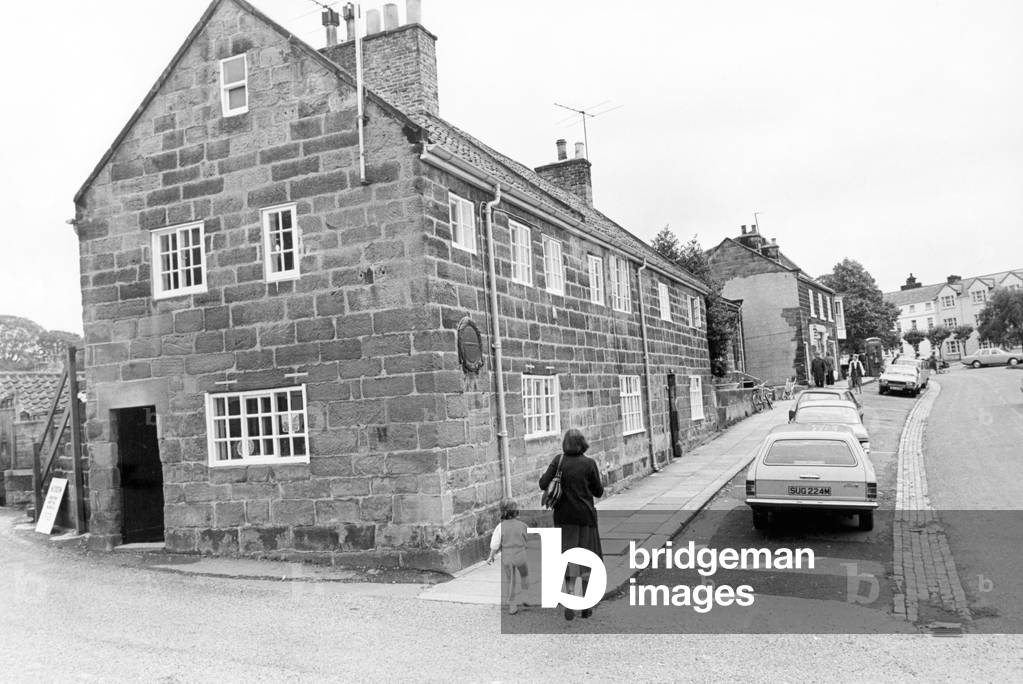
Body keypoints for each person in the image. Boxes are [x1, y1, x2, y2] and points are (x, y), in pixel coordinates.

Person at [538, 428, 604, 621]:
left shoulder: (559, 461)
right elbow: (598, 492)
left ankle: (568, 600)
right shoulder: (589, 464)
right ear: (583, 443)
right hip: (585, 519)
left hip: (563, 518)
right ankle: (585, 605)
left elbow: (543, 484)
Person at [487, 498, 530, 614]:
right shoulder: (522, 525)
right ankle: (525, 597)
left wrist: (491, 556)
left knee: (511, 580)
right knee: (524, 575)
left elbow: (495, 544)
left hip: (507, 557)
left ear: (502, 512)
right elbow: (526, 539)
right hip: (520, 555)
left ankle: (512, 605)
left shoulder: (500, 527)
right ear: (516, 511)